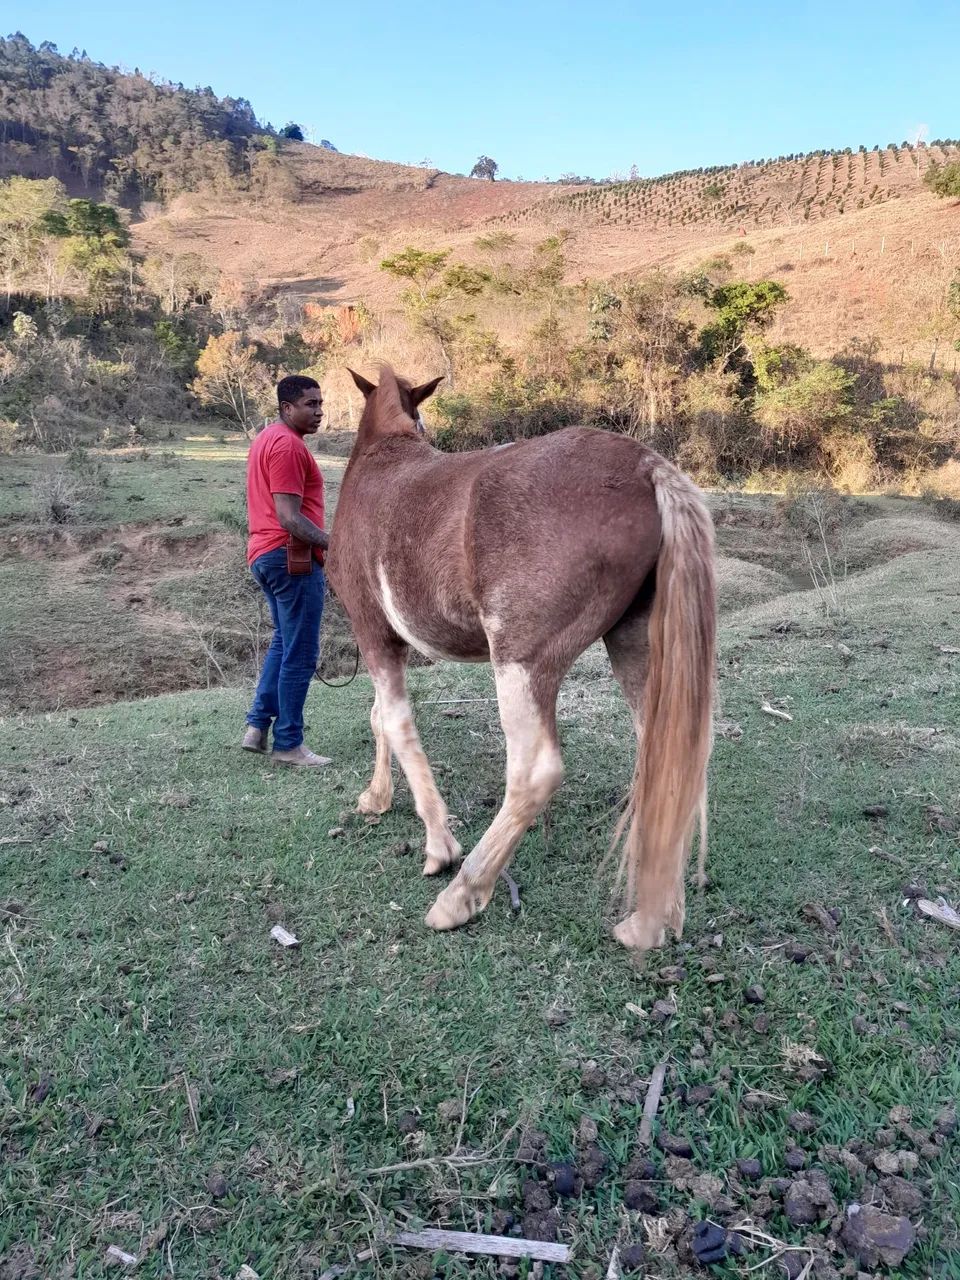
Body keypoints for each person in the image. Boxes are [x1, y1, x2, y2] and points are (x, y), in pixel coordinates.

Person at [241, 375, 332, 766]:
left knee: (283, 642)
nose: (319, 412)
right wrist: (337, 545)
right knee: (301, 651)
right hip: (290, 557)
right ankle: (289, 744)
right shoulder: (287, 447)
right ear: (286, 408)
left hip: (265, 556)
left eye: (320, 403)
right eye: (310, 404)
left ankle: (258, 726)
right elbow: (289, 518)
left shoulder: (267, 439)